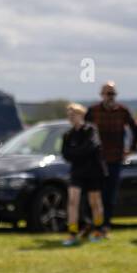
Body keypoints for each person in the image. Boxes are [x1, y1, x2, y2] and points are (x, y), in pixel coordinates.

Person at [85, 81, 137, 239]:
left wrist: (132, 148)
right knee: (95, 195)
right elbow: (85, 130)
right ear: (101, 95)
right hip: (97, 160)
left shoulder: (122, 111)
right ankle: (94, 224)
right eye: (108, 93)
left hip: (115, 159)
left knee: (110, 196)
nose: (110, 97)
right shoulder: (93, 111)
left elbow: (135, 128)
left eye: (113, 94)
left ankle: (105, 226)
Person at [60, 103, 105, 247]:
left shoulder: (91, 130)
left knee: (94, 202)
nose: (71, 118)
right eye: (69, 116)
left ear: (81, 115)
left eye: (73, 115)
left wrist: (76, 152)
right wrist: (79, 153)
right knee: (73, 201)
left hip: (92, 171)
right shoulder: (68, 135)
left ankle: (98, 229)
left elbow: (92, 147)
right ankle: (72, 233)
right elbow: (66, 154)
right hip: (77, 172)